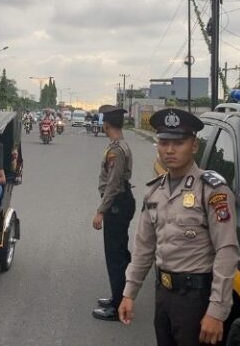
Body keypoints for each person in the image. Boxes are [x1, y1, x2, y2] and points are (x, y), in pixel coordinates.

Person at [118, 108, 240, 346]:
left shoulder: (212, 190)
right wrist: (129, 293)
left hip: (196, 299)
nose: (170, 150)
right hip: (163, 295)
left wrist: (216, 310)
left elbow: (227, 251)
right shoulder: (154, 190)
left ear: (194, 146)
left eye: (179, 142)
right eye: (164, 142)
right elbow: (143, 248)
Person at [92, 105, 136, 321]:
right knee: (119, 253)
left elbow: (113, 184)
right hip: (121, 202)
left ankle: (117, 307)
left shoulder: (116, 150)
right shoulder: (120, 145)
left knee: (115, 257)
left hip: (117, 204)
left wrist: (101, 211)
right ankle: (118, 296)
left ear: (106, 124)